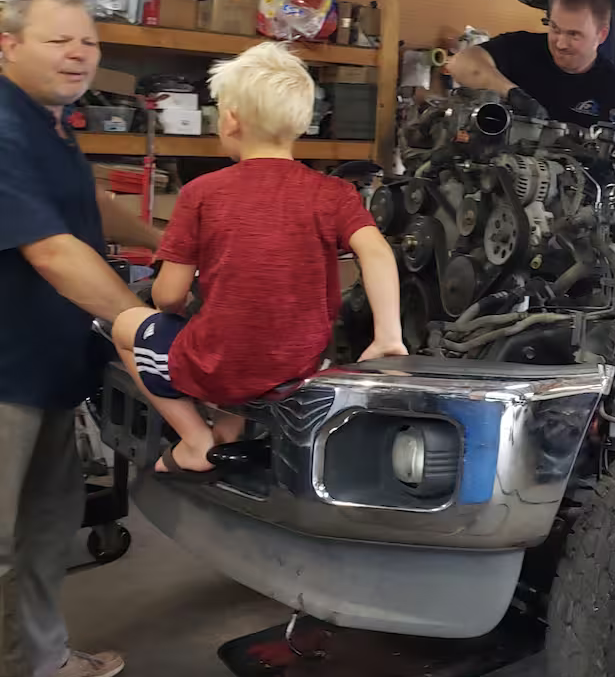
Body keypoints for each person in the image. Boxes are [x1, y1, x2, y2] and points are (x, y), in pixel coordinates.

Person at [110, 42, 407, 476]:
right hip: (299, 365)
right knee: (249, 335)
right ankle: (228, 432)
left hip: (224, 363)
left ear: (230, 120)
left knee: (126, 327)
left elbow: (170, 295)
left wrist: (166, 304)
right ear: (301, 122)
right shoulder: (333, 192)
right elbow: (377, 252)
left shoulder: (201, 194)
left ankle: (194, 441)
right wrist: (387, 336)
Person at [0, 0, 155, 677]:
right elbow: (52, 250)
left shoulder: (48, 125)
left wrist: (173, 238)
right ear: (8, 47)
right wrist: (138, 321)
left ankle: (37, 663)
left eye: (87, 43)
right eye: (59, 41)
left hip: (50, 364)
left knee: (44, 527)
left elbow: (84, 207)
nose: (78, 55)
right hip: (3, 373)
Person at [443, 0, 615, 126]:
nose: (561, 43)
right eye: (555, 29)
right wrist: (514, 95)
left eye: (574, 34)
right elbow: (460, 64)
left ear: (601, 35)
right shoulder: (520, 48)